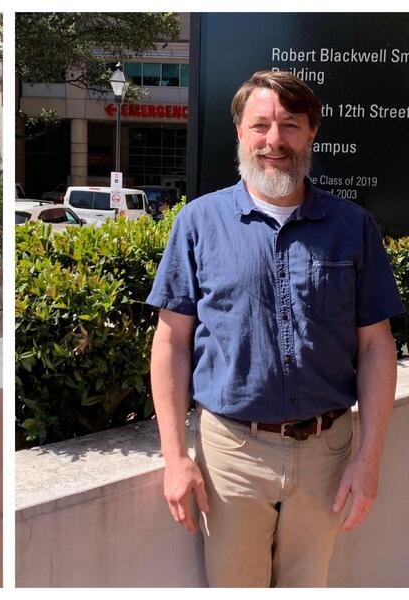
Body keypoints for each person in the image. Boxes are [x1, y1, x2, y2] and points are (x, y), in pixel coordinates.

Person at [146, 70, 403, 587]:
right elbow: (171, 341)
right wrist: (175, 458)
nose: (274, 141)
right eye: (260, 125)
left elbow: (376, 346)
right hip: (231, 457)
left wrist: (368, 459)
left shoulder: (353, 227)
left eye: (289, 125)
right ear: (240, 132)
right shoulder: (197, 223)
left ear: (311, 133)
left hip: (328, 454)